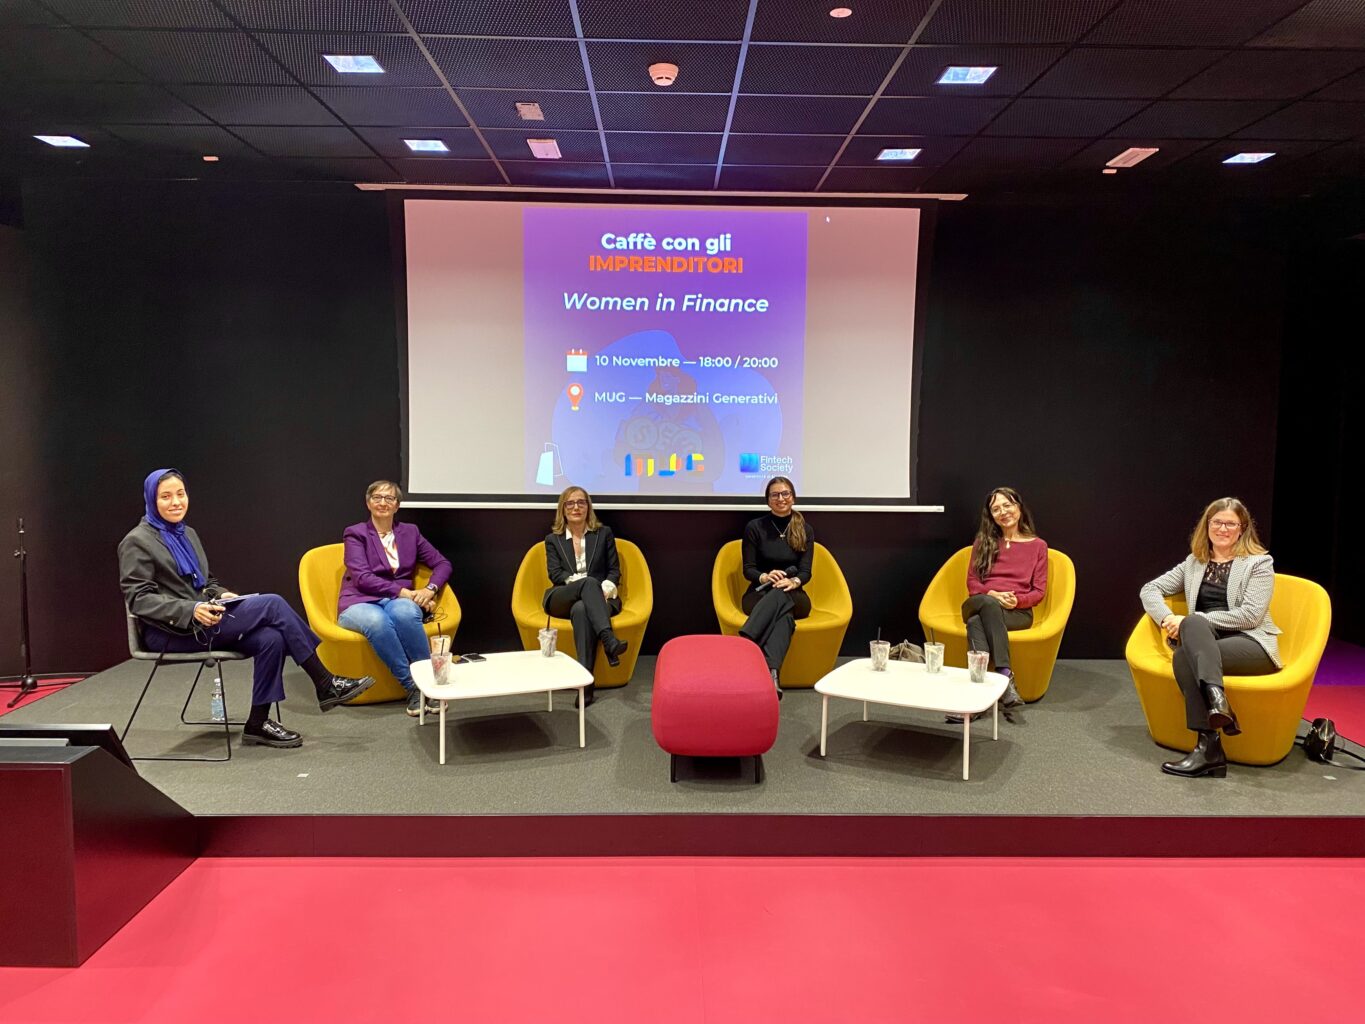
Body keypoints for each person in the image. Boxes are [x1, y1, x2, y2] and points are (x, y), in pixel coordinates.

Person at [118, 469, 374, 750]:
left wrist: (221, 594)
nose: (176, 502)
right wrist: (191, 609)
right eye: (165, 496)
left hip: (204, 620)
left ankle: (258, 723)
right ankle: (325, 681)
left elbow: (206, 582)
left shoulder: (186, 533)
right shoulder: (137, 541)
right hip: (171, 632)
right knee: (273, 603)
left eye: (180, 494)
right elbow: (139, 599)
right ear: (151, 500)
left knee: (271, 638)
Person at [1139, 497, 1280, 779]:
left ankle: (1210, 746)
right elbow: (1149, 589)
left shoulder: (1259, 563)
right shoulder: (1194, 563)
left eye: (1231, 524)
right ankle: (1214, 718)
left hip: (1251, 644)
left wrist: (1192, 620)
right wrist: (1167, 618)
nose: (1223, 529)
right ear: (1207, 526)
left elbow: (1250, 616)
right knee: (1185, 650)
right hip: (1205, 644)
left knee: (1188, 640)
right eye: (1217, 522)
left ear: (1242, 529)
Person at [338, 480, 453, 717]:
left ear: (397, 505)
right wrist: (405, 593)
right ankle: (412, 687)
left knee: (406, 613)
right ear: (368, 503)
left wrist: (429, 589)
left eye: (389, 498)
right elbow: (363, 578)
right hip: (360, 600)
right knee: (378, 621)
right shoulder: (356, 533)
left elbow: (442, 563)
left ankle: (429, 683)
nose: (383, 503)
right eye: (377, 497)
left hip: (397, 600)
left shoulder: (410, 532)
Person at [955, 487, 1045, 719]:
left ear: (1019, 507)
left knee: (975, 623)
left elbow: (1039, 592)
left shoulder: (1038, 546)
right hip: (979, 602)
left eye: (1007, 505)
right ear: (991, 516)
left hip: (1017, 613)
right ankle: (1005, 676)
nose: (1003, 512)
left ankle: (976, 698)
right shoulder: (983, 542)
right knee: (987, 604)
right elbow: (972, 582)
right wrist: (992, 594)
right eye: (996, 509)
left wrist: (1017, 600)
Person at [541, 486, 628, 707]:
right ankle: (609, 640)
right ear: (563, 509)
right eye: (570, 503)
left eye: (581, 502)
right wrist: (585, 585)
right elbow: (555, 574)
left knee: (581, 610)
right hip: (563, 596)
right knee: (588, 583)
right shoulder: (553, 539)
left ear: (588, 507)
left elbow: (613, 571)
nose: (576, 507)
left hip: (599, 598)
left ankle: (585, 686)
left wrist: (602, 590)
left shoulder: (604, 534)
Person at [738, 476, 814, 700]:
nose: (781, 498)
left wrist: (793, 582)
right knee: (784, 617)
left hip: (794, 594)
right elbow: (748, 569)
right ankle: (772, 675)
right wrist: (765, 576)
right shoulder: (755, 527)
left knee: (782, 595)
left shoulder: (805, 529)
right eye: (775, 495)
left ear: (793, 497)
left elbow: (806, 572)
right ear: (768, 500)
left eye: (785, 493)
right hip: (760, 593)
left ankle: (746, 640)